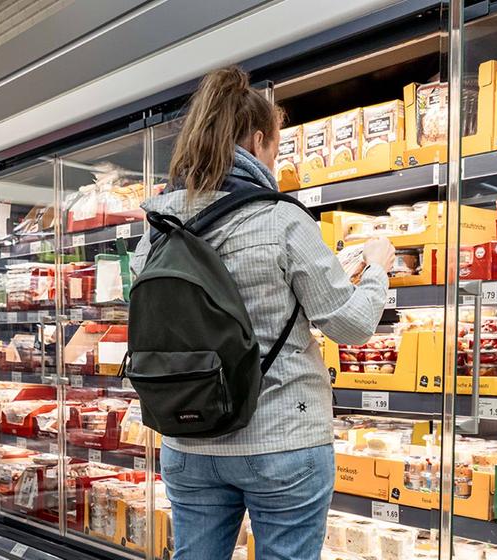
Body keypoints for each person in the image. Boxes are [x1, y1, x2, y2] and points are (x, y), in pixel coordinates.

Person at [129, 65, 395, 560]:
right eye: (276, 143)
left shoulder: (158, 226)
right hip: (281, 437)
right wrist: (377, 269)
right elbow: (351, 325)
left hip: (187, 436)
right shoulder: (280, 218)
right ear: (257, 140)